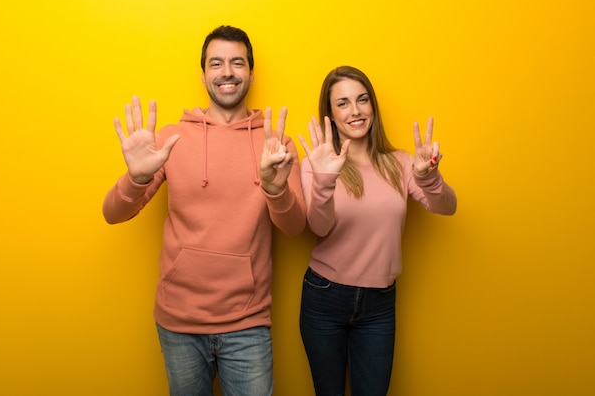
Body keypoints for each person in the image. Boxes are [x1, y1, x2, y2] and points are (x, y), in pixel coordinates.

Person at [102, 25, 306, 396]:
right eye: (216, 63)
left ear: (251, 73)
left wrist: (276, 190)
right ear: (204, 75)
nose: (227, 71)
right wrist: (136, 177)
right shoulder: (169, 138)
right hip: (179, 323)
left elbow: (295, 228)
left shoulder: (275, 141)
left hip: (248, 324)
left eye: (236, 63)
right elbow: (112, 214)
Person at [297, 65, 457, 396]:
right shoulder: (316, 163)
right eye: (342, 103)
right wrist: (325, 181)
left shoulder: (400, 162)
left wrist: (429, 178)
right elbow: (319, 226)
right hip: (325, 297)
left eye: (362, 100)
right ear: (329, 114)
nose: (355, 111)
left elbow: (446, 206)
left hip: (379, 304)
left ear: (373, 107)